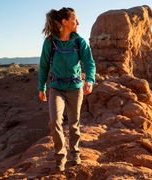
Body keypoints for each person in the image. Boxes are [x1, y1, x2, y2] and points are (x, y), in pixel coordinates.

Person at [37, 7, 96, 172]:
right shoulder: (50, 42)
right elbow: (43, 66)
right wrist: (41, 86)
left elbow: (90, 63)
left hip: (75, 88)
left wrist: (89, 81)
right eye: (75, 19)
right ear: (64, 22)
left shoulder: (79, 42)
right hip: (56, 88)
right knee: (55, 121)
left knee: (74, 124)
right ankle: (60, 158)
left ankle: (75, 152)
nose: (78, 22)